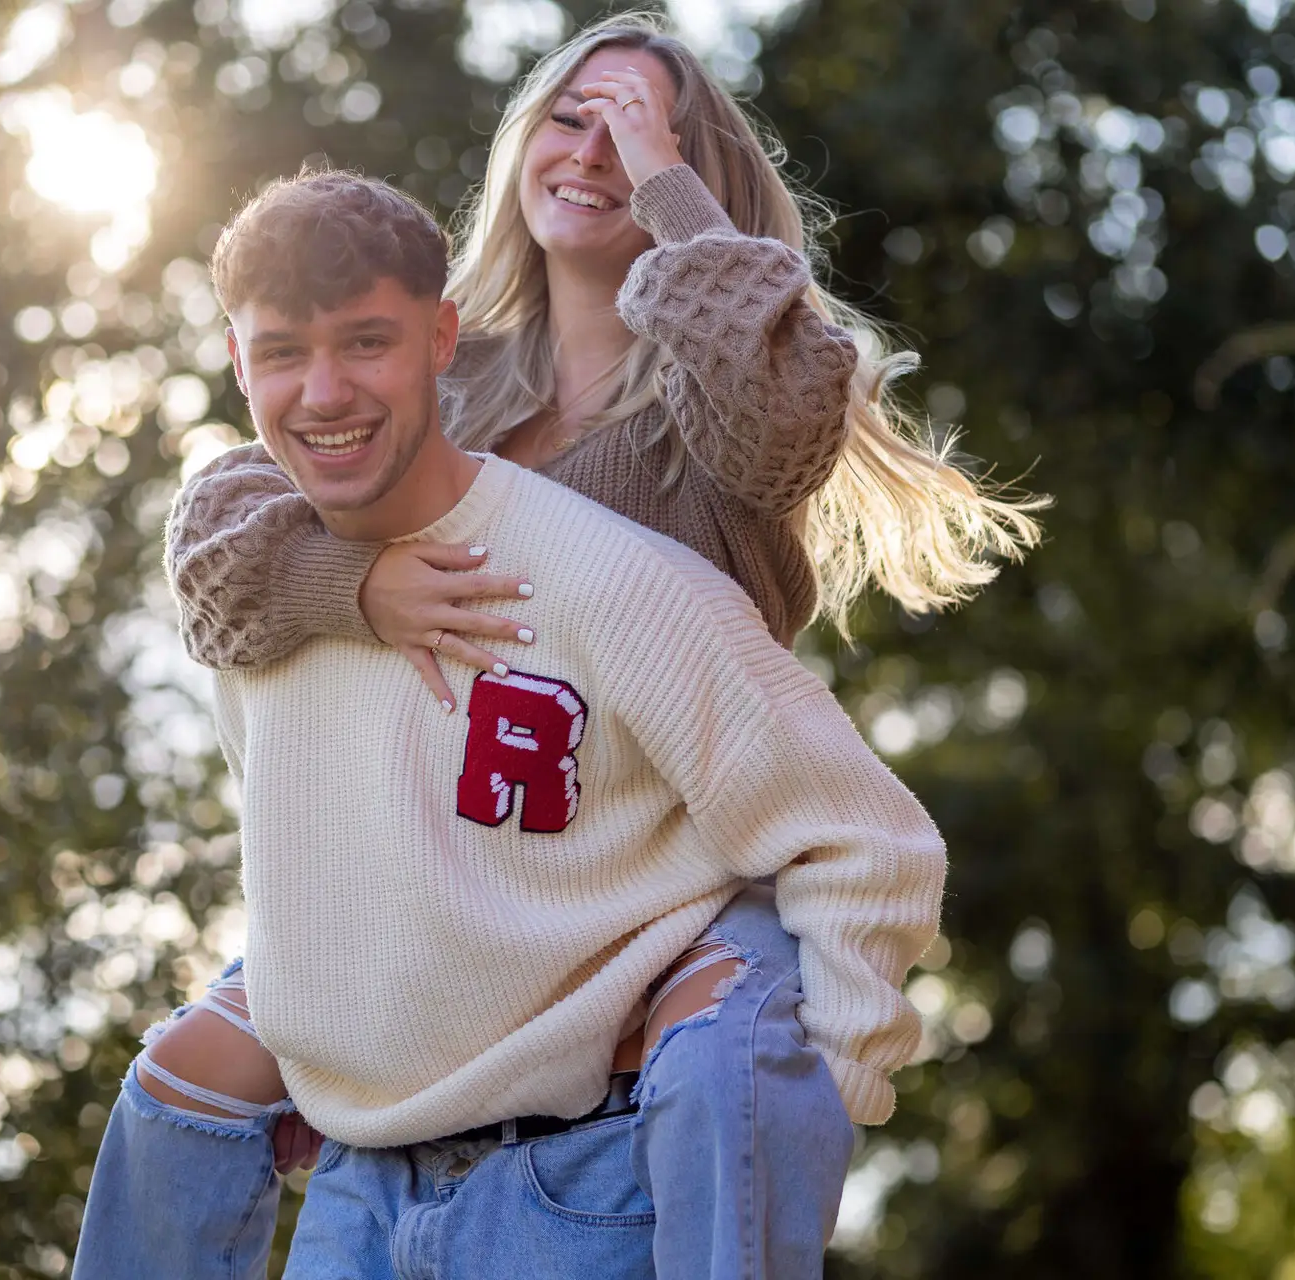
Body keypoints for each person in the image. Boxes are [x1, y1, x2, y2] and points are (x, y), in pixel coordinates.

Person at [83, 12, 1037, 1277]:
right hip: (463, 863)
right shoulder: (445, 377)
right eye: (572, 116)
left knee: (724, 1059)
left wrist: (670, 191)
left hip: (667, 860)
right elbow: (222, 528)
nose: (596, 148)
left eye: (638, 129)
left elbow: (784, 407)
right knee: (187, 1069)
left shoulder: (708, 413)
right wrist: (354, 583)